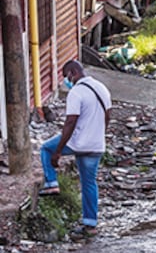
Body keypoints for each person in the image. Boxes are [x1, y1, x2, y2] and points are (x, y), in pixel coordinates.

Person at [38, 60, 112, 241]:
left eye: (66, 76)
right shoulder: (102, 88)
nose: (66, 80)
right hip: (96, 144)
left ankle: (51, 184)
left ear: (72, 73)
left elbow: (70, 122)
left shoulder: (76, 92)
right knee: (89, 183)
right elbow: (108, 116)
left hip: (78, 142)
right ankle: (90, 225)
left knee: (46, 149)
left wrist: (59, 151)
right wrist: (98, 134)